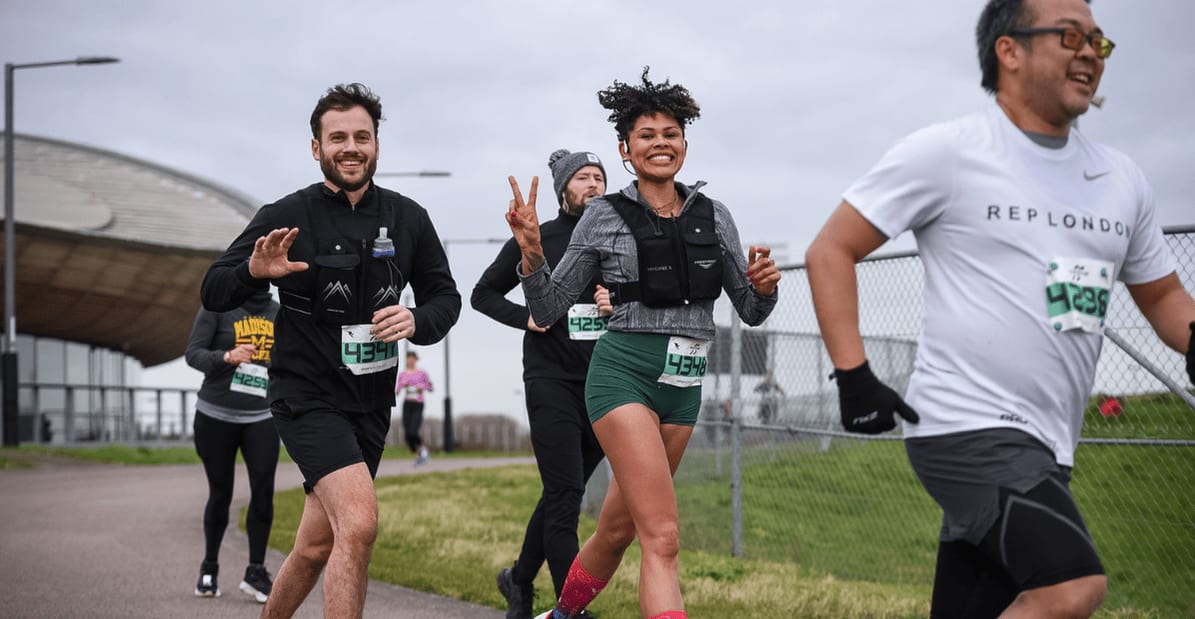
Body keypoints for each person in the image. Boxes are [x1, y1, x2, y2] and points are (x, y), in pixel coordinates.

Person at [804, 1, 1195, 616]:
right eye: (1071, 37)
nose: (1090, 52)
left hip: (1049, 442)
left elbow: (1164, 296)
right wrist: (854, 375)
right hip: (964, 426)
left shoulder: (1122, 180)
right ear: (1008, 51)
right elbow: (832, 248)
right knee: (1071, 586)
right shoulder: (948, 152)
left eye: (1099, 41)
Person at [506, 67, 780, 619]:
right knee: (664, 537)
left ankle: (560, 615)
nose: (661, 143)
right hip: (622, 376)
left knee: (616, 531)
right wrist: (533, 255)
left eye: (671, 133)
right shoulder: (603, 215)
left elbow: (749, 311)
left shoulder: (714, 215)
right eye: (647, 135)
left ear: (684, 143)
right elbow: (548, 307)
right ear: (626, 149)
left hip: (684, 386)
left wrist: (765, 289)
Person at [200, 82, 461, 618]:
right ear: (316, 148)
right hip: (306, 394)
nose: (351, 147)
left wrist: (415, 318)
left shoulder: (410, 218)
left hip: (371, 401)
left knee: (317, 545)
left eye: (361, 136)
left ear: (377, 146)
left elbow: (446, 299)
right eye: (337, 137)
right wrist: (253, 269)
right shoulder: (288, 213)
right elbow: (213, 287)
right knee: (360, 524)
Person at [473, 148, 609, 619]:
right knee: (567, 499)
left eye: (599, 177)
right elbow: (482, 294)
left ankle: (518, 580)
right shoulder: (540, 236)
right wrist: (526, 318)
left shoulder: (618, 239)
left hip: (606, 386)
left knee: (559, 494)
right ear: (564, 190)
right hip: (551, 380)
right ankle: (572, 610)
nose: (593, 184)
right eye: (583, 178)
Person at [185, 288, 281, 603]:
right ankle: (208, 568)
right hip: (216, 415)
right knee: (221, 492)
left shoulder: (279, 312)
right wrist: (227, 356)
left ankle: (255, 571)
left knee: (264, 491)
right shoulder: (218, 306)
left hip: (262, 415)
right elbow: (194, 353)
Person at [395, 351, 433, 465]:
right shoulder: (403, 374)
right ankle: (419, 453)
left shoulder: (421, 373)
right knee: (407, 434)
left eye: (413, 358)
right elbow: (397, 390)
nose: (410, 361)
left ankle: (423, 451)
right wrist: (402, 386)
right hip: (407, 404)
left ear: (416, 360)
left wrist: (421, 387)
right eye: (409, 358)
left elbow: (430, 386)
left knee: (413, 431)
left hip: (418, 403)